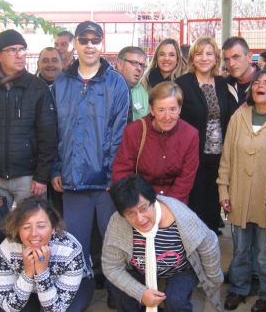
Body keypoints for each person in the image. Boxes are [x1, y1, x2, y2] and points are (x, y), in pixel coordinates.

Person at [51, 20, 129, 291]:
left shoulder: (117, 84)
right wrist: (55, 169)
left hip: (106, 183)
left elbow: (120, 135)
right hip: (72, 181)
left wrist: (113, 177)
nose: (89, 45)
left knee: (113, 242)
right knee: (76, 243)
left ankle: (116, 292)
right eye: (83, 40)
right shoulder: (61, 84)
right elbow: (53, 133)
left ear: (102, 44)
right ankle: (79, 291)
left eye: (95, 40)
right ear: (75, 44)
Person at [103, 174, 223, 312]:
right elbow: (111, 266)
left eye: (143, 208)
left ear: (154, 200)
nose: (140, 218)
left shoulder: (182, 216)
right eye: (130, 213)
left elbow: (209, 246)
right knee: (119, 289)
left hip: (180, 269)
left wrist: (213, 280)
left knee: (176, 300)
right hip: (139, 268)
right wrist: (140, 292)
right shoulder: (118, 221)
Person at [217, 70, 266, 312]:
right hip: (238, 196)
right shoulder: (240, 116)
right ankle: (239, 288)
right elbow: (227, 155)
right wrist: (223, 189)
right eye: (256, 82)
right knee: (239, 249)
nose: (260, 86)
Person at [0, 29, 58, 208]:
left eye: (22, 49)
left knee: (31, 230)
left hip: (29, 177)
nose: (19, 55)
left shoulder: (38, 87)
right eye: (12, 50)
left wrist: (41, 176)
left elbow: (48, 135)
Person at [0, 197, 92, 312]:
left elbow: (55, 309)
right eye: (26, 227)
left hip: (74, 288)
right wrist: (28, 272)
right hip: (30, 290)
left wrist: (41, 271)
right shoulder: (6, 249)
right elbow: (8, 306)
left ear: (53, 228)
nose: (34, 233)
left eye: (41, 226)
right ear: (17, 228)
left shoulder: (69, 248)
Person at [176, 36, 238, 235]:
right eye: (199, 54)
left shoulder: (222, 84)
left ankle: (210, 249)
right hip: (193, 157)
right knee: (195, 206)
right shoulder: (183, 84)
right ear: (192, 58)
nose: (204, 58)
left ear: (216, 58)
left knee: (213, 205)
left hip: (220, 156)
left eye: (209, 54)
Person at [112, 81, 199, 203]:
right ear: (152, 110)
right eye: (161, 110)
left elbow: (185, 179)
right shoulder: (134, 131)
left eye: (173, 109)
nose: (167, 117)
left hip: (175, 204)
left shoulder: (190, 135)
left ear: (180, 109)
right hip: (139, 202)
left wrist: (168, 207)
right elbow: (122, 172)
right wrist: (141, 204)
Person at [115, 46, 149, 121]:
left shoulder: (146, 93)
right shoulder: (105, 88)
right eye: (134, 63)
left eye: (142, 65)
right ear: (120, 64)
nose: (139, 69)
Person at [222, 36, 258, 105]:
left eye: (236, 57)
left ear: (249, 57)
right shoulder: (224, 85)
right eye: (226, 59)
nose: (231, 64)